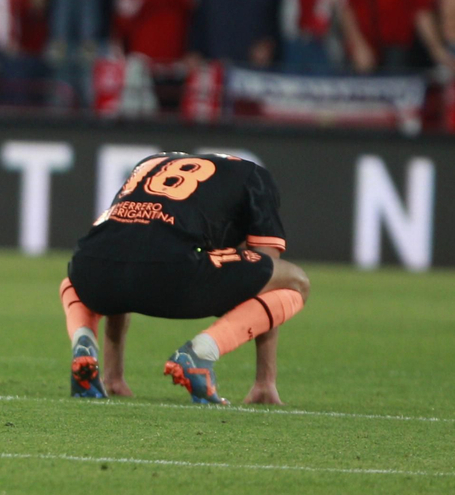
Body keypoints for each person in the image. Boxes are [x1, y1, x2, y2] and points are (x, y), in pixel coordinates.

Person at [60, 152, 310, 406]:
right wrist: (264, 381)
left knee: (76, 279)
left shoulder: (150, 163)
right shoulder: (254, 176)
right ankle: (202, 352)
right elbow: (269, 271)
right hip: (173, 275)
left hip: (91, 268)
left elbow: (124, 242)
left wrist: (114, 376)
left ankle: (85, 342)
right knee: (295, 281)